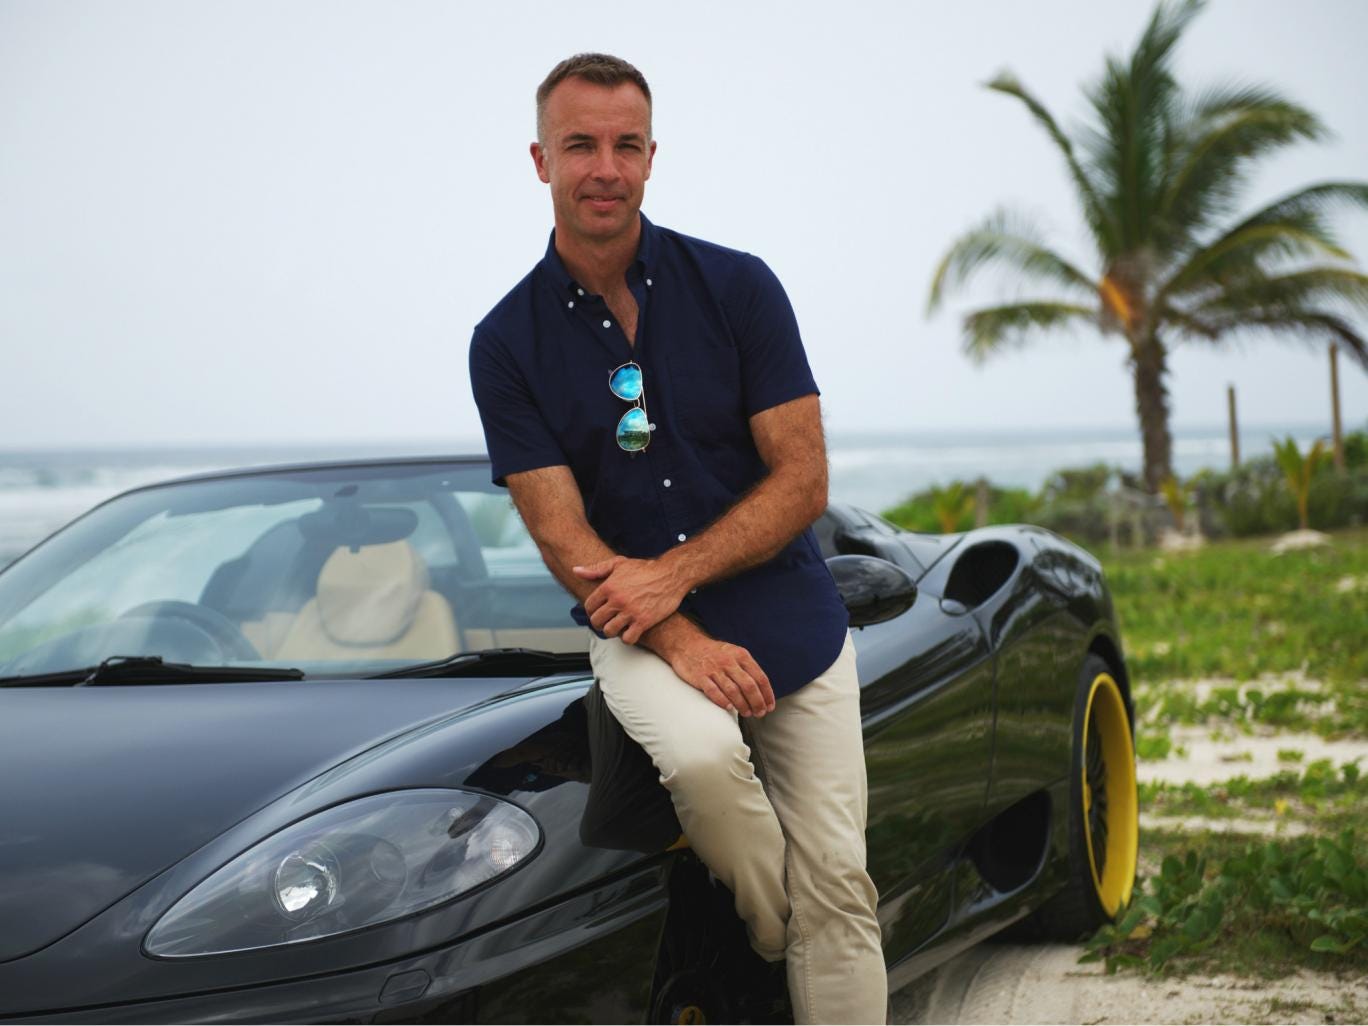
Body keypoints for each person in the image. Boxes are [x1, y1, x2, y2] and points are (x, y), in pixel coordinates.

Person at [467, 52, 887, 1024]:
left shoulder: (738, 289)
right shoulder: (506, 343)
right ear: (541, 160)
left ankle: (809, 930)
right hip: (642, 635)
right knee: (703, 764)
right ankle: (774, 931)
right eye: (580, 145)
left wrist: (676, 574)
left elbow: (803, 478)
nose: (603, 167)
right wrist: (676, 628)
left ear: (651, 157)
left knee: (841, 885)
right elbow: (561, 533)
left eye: (624, 145)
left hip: (792, 621)